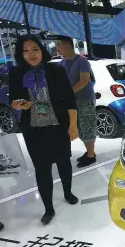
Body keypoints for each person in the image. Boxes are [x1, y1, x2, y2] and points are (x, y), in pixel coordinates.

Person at [9, 35, 79, 225]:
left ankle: (67, 192)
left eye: (35, 49)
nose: (31, 54)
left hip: (58, 126)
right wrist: (17, 104)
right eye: (25, 50)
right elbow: (13, 100)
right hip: (34, 130)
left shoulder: (55, 70)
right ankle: (48, 208)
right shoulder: (16, 73)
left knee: (64, 162)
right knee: (42, 169)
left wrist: (73, 125)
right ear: (20, 53)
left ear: (42, 50)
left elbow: (69, 99)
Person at [56, 36, 97, 168]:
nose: (57, 48)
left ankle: (91, 156)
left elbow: (84, 80)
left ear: (67, 45)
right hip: (72, 102)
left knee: (87, 125)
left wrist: (69, 92)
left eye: (59, 45)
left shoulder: (82, 61)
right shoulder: (61, 64)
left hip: (85, 99)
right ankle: (89, 152)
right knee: (79, 126)